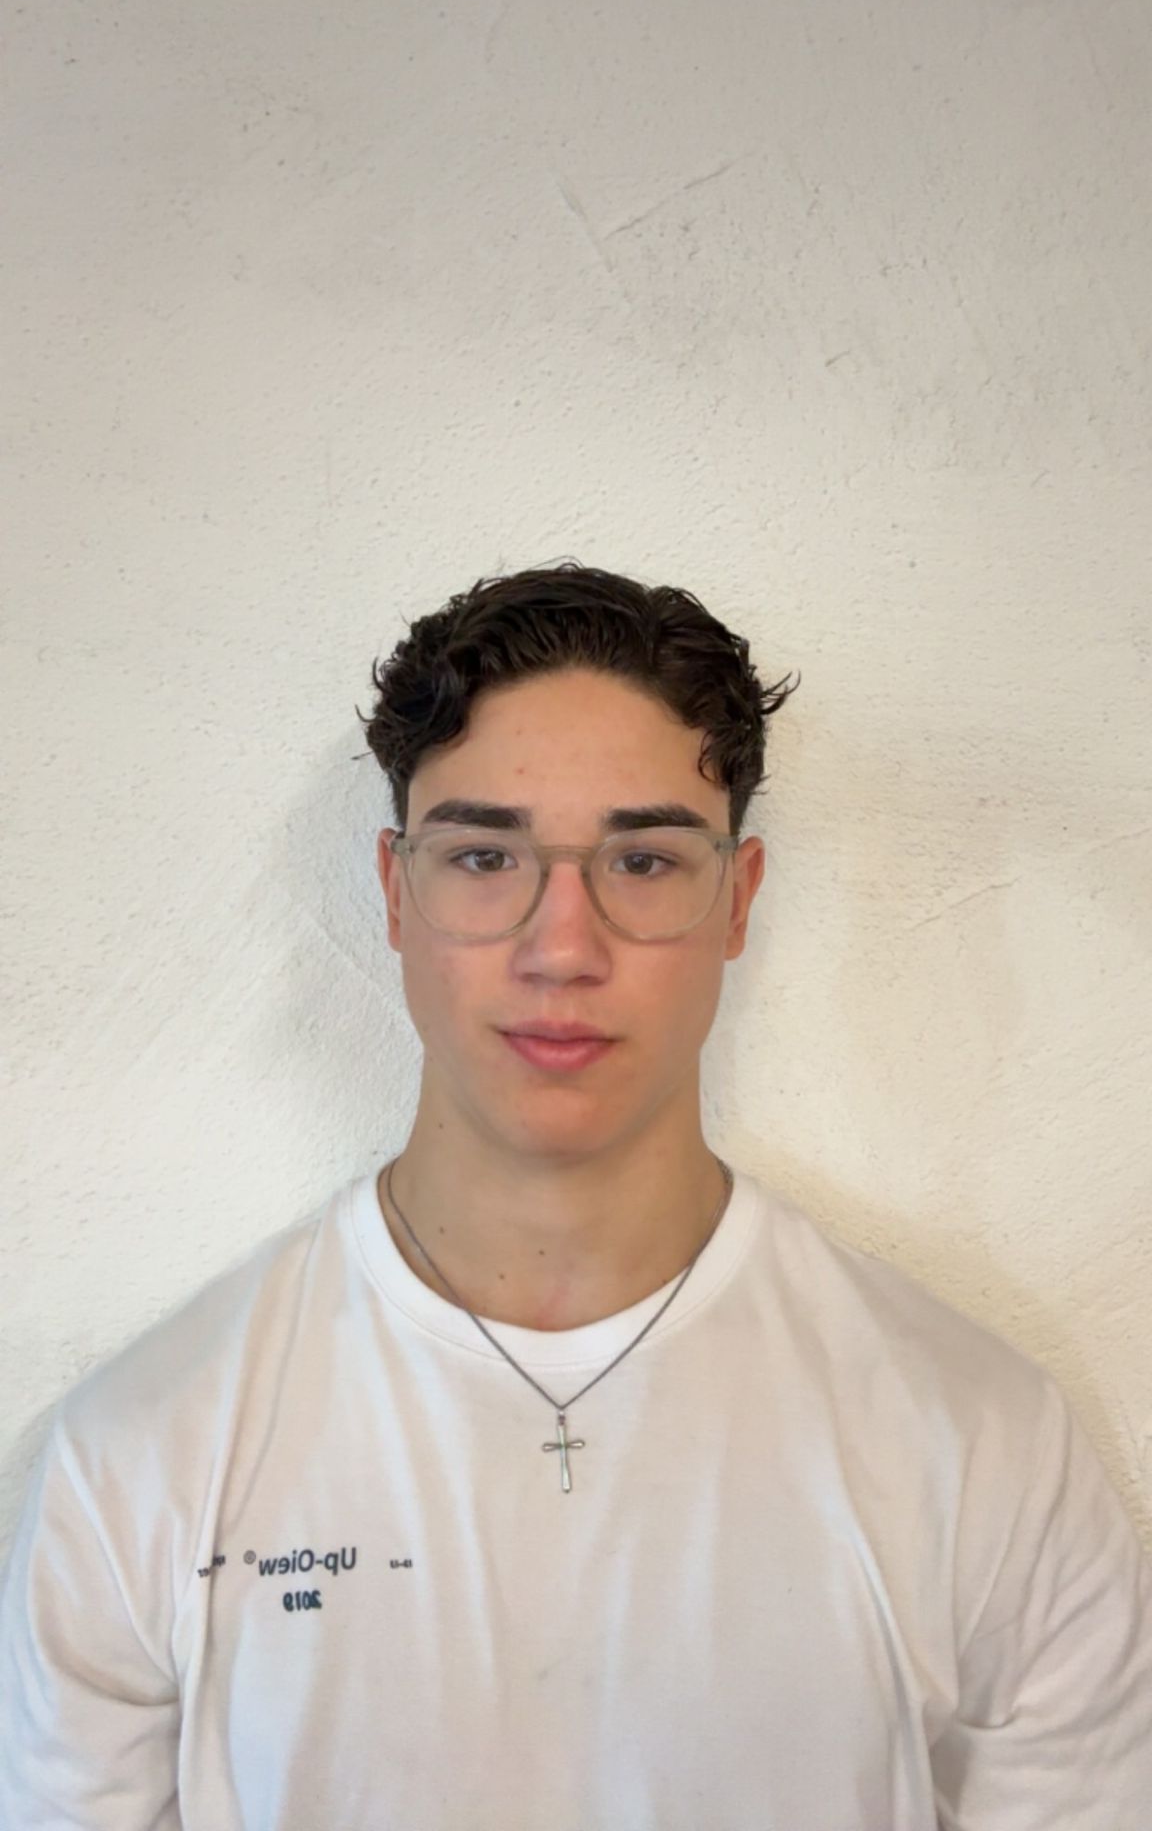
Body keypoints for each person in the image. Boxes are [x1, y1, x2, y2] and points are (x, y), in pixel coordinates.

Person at [1, 560, 1149, 1829]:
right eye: (485, 854)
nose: (561, 945)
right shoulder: (138, 1457)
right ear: (393, 891)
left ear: (737, 900)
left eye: (643, 859)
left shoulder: (985, 1448)